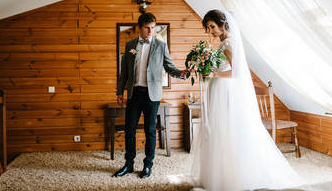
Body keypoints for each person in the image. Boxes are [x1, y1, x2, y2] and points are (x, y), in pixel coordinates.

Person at [188, 10, 304, 190]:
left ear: (222, 24)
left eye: (212, 27)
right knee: (220, 132)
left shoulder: (229, 43)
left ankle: (232, 177)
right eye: (208, 28)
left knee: (226, 131)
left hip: (226, 91)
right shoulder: (224, 42)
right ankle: (221, 174)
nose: (210, 31)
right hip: (219, 90)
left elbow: (237, 73)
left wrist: (212, 72)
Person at [114, 12, 188, 179]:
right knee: (130, 130)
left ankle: (148, 165)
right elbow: (124, 72)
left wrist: (181, 73)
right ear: (140, 27)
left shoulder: (161, 46)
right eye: (147, 28)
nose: (150, 31)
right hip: (134, 93)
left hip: (152, 95)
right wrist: (120, 92)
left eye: (153, 28)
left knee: (150, 131)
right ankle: (129, 164)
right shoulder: (129, 45)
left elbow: (169, 67)